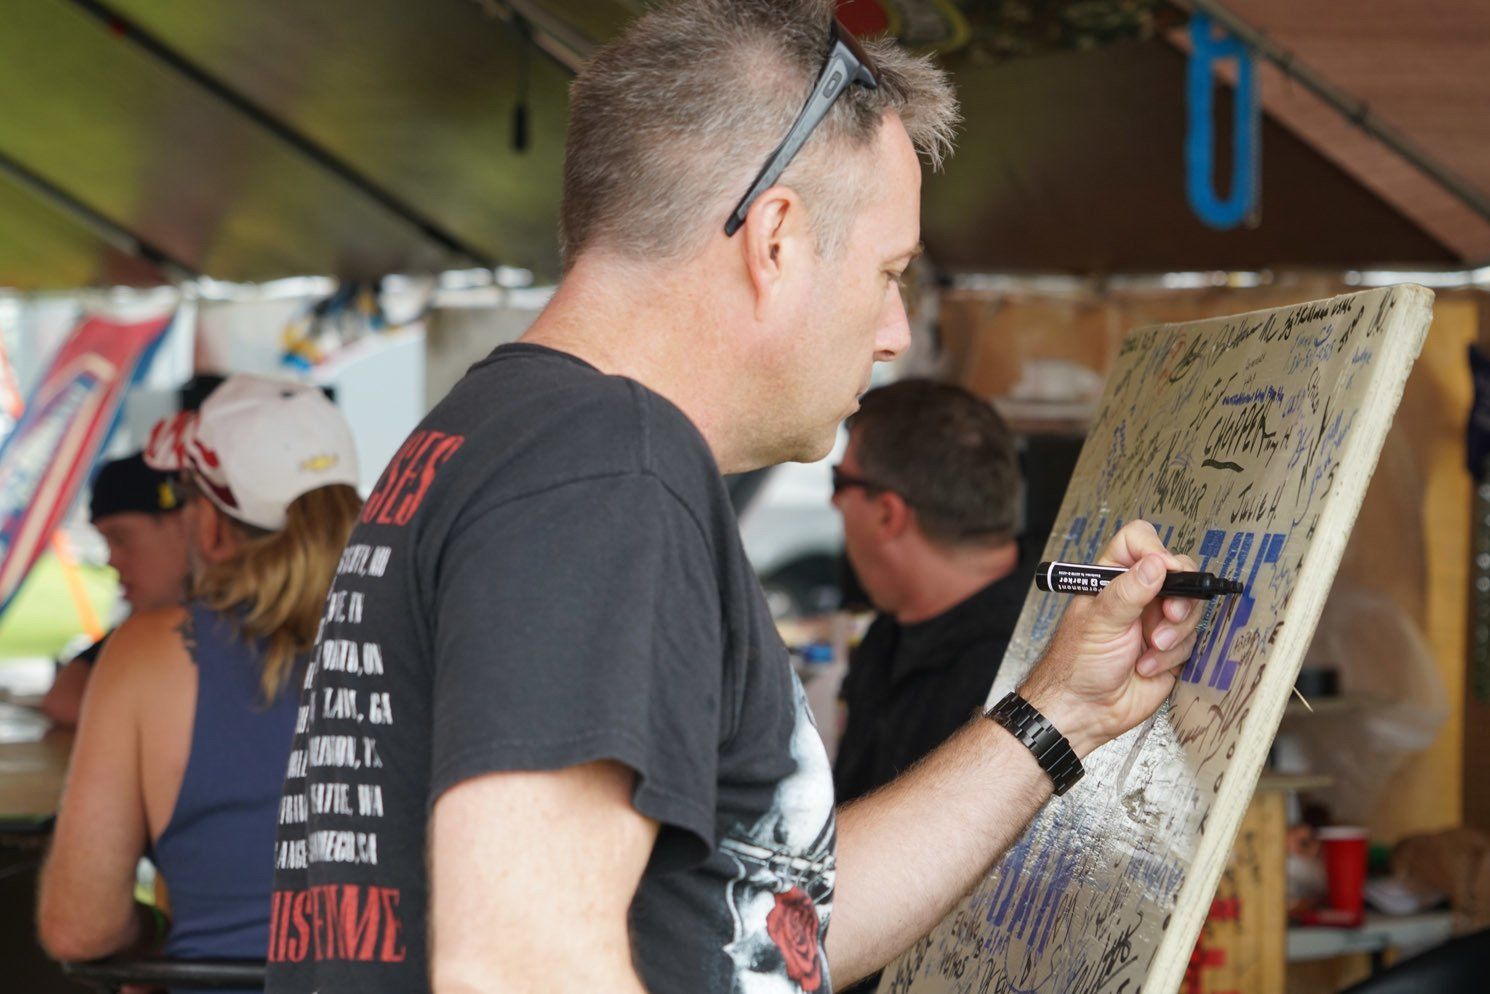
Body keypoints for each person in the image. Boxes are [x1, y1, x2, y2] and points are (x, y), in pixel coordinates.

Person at [267, 3, 1202, 993]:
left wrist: (1060, 711)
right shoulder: (605, 466)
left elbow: (771, 929)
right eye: (887, 273)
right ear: (776, 239)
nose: (891, 330)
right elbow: (520, 965)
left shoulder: (511, 434)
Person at [38, 375, 362, 986]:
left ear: (209, 525)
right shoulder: (434, 634)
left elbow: (79, 925)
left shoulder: (149, 655)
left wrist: (156, 931)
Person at [831, 379, 1027, 805]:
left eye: (839, 482)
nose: (834, 504)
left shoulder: (1014, 676)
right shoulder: (893, 631)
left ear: (887, 513)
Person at [41, 453, 192, 726]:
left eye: (122, 538)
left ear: (187, 525)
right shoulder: (147, 626)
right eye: (108, 542)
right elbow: (64, 698)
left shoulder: (243, 627)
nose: (111, 560)